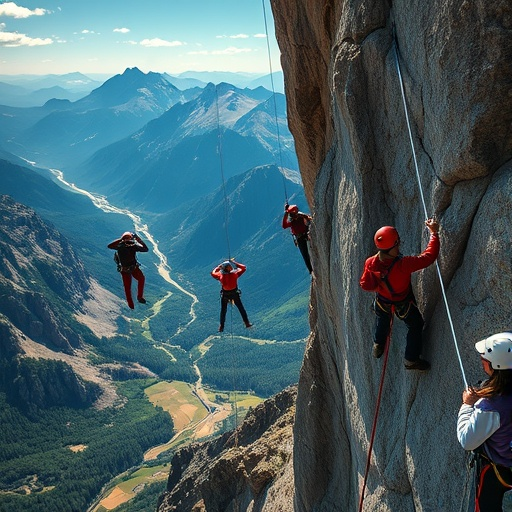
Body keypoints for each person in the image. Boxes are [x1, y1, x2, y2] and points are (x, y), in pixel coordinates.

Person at [359, 218, 440, 370]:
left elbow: (365, 284)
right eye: (398, 242)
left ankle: (378, 344)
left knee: (382, 319)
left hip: (382, 301)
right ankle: (411, 359)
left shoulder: (371, 262)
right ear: (392, 246)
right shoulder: (403, 264)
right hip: (402, 303)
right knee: (416, 325)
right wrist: (434, 233)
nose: (400, 244)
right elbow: (428, 257)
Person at [457, 332, 512, 512]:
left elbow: (467, 440)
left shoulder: (490, 407)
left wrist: (467, 405)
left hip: (499, 470)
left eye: (484, 357)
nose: (481, 359)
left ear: (494, 365)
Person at [108, 231, 148, 309]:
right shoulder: (132, 246)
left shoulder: (120, 246)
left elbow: (110, 246)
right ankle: (139, 297)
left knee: (127, 287)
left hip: (125, 269)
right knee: (140, 279)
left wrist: (121, 239)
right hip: (133, 268)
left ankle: (131, 304)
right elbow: (145, 249)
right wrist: (137, 238)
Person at [211, 259, 252, 332]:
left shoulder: (220, 275)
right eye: (229, 266)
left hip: (225, 294)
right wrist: (234, 262)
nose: (231, 267)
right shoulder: (235, 274)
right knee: (240, 308)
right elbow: (243, 267)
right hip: (234, 294)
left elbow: (213, 273)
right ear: (227, 268)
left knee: (223, 310)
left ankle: (221, 326)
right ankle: (247, 323)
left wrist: (218, 267)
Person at [282, 203, 313, 273]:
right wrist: (285, 214)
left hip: (305, 236)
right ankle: (311, 270)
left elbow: (308, 218)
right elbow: (284, 226)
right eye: (292, 215)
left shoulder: (300, 216)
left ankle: (311, 270)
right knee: (305, 255)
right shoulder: (293, 221)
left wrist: (286, 213)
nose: (293, 216)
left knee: (306, 254)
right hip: (300, 239)